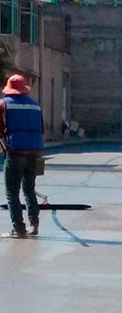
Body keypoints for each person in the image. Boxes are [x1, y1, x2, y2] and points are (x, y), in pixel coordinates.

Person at [0, 74, 44, 238]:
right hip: (33, 152)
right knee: (29, 189)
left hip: (15, 151)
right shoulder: (35, 106)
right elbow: (41, 129)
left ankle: (19, 228)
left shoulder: (4, 104)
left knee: (12, 192)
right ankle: (34, 224)